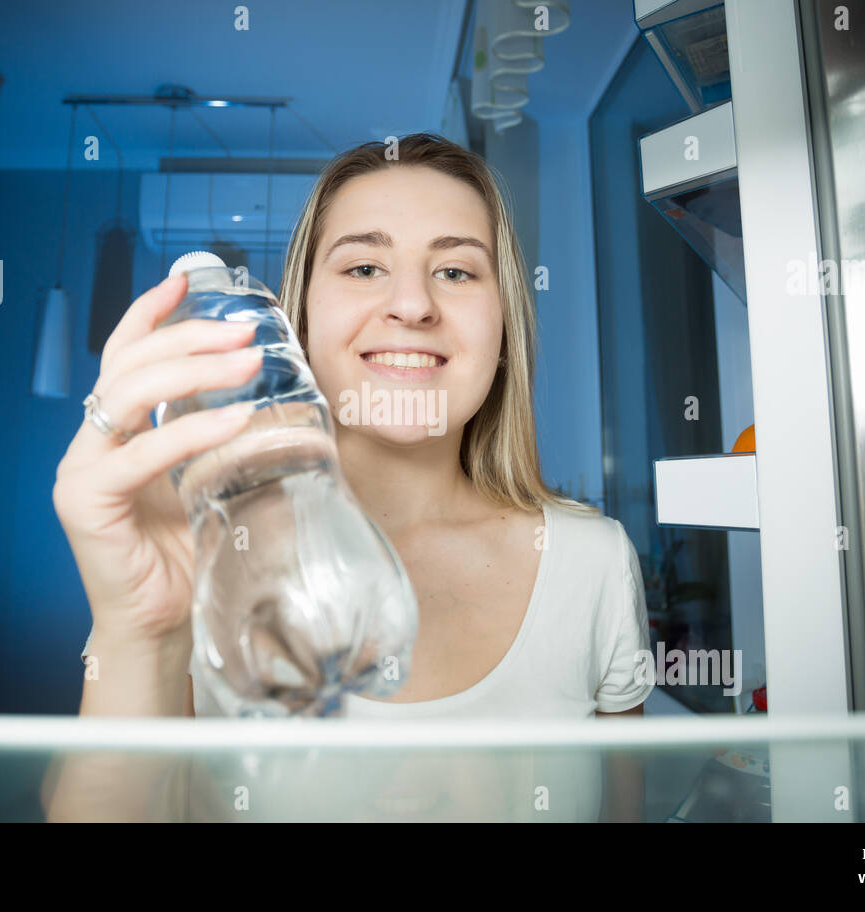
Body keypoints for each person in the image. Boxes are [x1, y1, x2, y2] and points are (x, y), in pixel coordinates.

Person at [45, 133, 651, 822]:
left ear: (505, 324)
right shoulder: (203, 552)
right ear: (298, 315)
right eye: (364, 267)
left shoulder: (591, 563)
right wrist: (142, 631)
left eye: (456, 271)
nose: (413, 306)